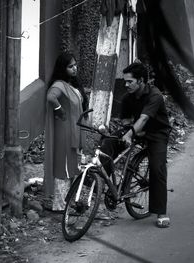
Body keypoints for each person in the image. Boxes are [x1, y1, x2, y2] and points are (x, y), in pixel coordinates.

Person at [101, 62, 172, 227]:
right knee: (109, 142)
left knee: (157, 168)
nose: (125, 85)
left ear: (141, 81)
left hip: (156, 133)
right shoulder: (128, 97)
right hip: (136, 130)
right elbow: (126, 119)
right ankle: (105, 182)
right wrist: (128, 133)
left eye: (129, 81)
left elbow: (145, 118)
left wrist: (131, 133)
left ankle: (161, 212)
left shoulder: (155, 95)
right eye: (125, 81)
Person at [44, 52, 88, 212]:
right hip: (65, 133)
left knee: (73, 166)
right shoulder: (59, 85)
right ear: (63, 68)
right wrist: (59, 109)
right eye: (70, 66)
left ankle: (67, 203)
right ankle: (60, 206)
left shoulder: (72, 85)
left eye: (75, 65)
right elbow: (50, 97)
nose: (75, 68)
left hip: (75, 131)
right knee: (63, 167)